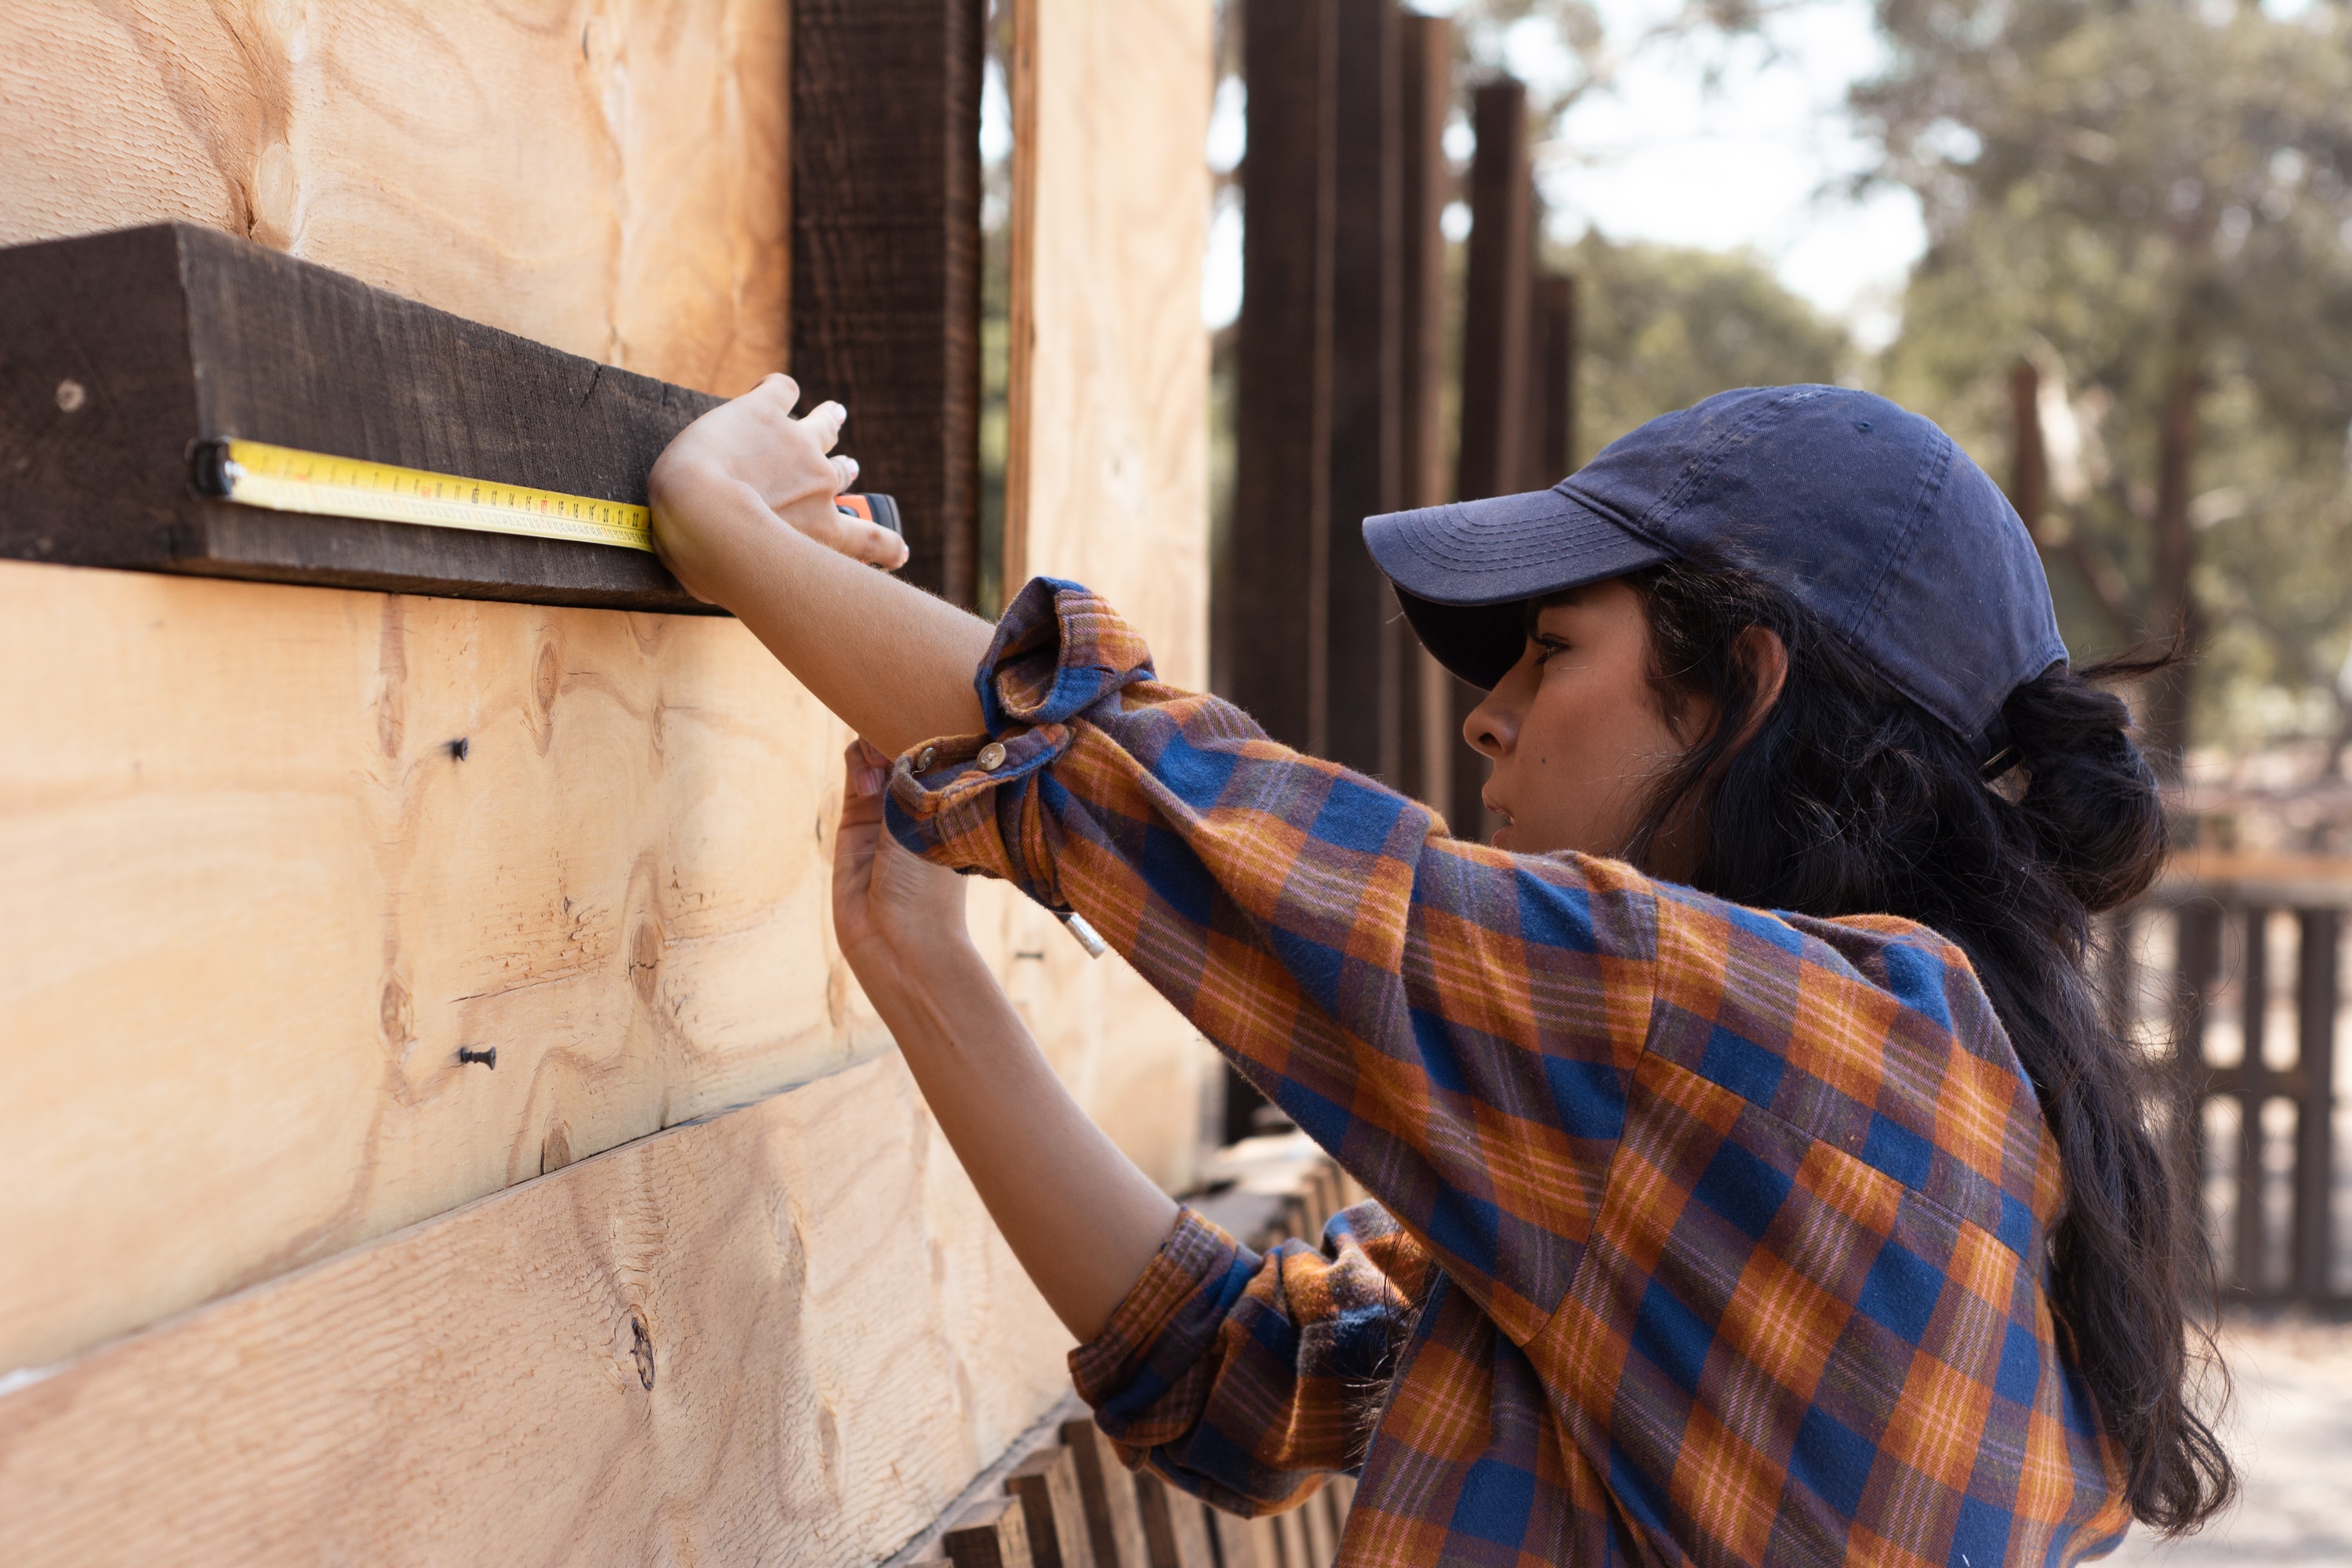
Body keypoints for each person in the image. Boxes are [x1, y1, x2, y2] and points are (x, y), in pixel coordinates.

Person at [647, 377, 2234, 1565]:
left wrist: (727, 522)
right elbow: (1262, 1374)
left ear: (1745, 685)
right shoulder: (1906, 1111)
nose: (1490, 714)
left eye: (1554, 648)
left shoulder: (1783, 1052)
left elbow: (1152, 792)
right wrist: (923, 963)